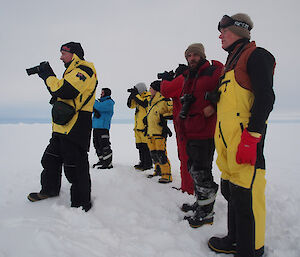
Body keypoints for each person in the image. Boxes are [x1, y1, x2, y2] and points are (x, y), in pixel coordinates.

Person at [208, 13, 275, 257]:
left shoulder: (257, 56)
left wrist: (252, 137)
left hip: (246, 142)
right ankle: (234, 239)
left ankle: (251, 250)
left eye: (223, 31)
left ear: (239, 30)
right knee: (232, 194)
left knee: (248, 199)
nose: (220, 36)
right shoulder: (231, 64)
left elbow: (266, 98)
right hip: (228, 147)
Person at [158, 43, 223, 227]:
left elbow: (227, 89)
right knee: (194, 170)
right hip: (190, 130)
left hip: (205, 131)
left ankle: (206, 213)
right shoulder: (189, 76)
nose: (192, 58)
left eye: (195, 55)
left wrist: (215, 105)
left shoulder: (213, 72)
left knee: (202, 173)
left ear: (202, 55)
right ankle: (200, 203)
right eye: (189, 56)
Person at [27, 42, 98, 212]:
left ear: (74, 54)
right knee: (49, 159)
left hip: (76, 125)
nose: (60, 57)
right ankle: (49, 190)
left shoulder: (85, 69)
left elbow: (66, 91)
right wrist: (49, 78)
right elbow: (59, 92)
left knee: (75, 166)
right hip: (62, 126)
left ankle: (81, 203)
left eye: (63, 53)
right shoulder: (71, 71)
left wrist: (48, 75)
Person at [157, 65, 194, 195]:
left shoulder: (182, 79)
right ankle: (187, 187)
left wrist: (166, 80)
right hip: (186, 124)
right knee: (185, 157)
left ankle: (188, 189)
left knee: (186, 158)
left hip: (185, 126)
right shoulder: (189, 78)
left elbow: (166, 90)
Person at [145, 81, 173, 183]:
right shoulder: (151, 102)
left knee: (161, 154)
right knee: (154, 154)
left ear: (156, 90)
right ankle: (158, 170)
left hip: (159, 132)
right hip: (150, 132)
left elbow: (174, 110)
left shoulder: (164, 100)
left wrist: (164, 117)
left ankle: (167, 175)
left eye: (151, 88)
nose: (149, 90)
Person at [127, 83, 153, 171]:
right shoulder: (138, 97)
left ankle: (148, 164)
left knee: (146, 146)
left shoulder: (148, 97)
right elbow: (130, 105)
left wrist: (136, 95)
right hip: (138, 127)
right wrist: (132, 95)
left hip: (145, 127)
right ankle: (142, 162)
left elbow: (144, 104)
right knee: (140, 146)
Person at [92, 88, 115, 169]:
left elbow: (99, 107)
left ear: (106, 93)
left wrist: (91, 99)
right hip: (96, 127)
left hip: (103, 128)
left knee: (104, 145)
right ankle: (101, 160)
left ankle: (108, 163)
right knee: (97, 145)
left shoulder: (109, 102)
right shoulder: (100, 102)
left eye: (102, 93)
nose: (100, 94)